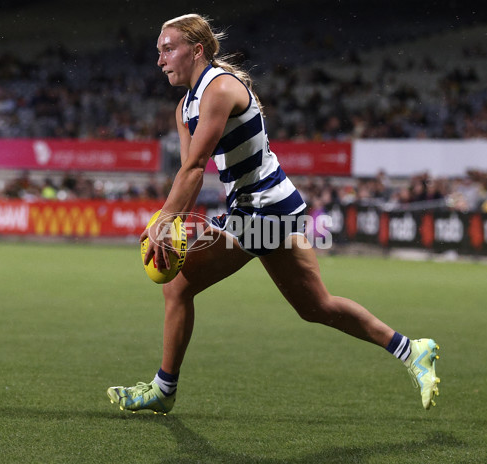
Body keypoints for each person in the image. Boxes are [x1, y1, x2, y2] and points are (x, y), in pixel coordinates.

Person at [107, 14, 440, 414]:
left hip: (262, 209)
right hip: (276, 207)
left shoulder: (220, 89)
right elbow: (189, 173)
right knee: (316, 306)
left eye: (168, 48)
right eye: (158, 51)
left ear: (196, 50)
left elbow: (195, 168)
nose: (160, 59)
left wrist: (164, 222)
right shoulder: (184, 107)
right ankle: (412, 349)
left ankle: (164, 389)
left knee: (177, 287)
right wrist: (173, 220)